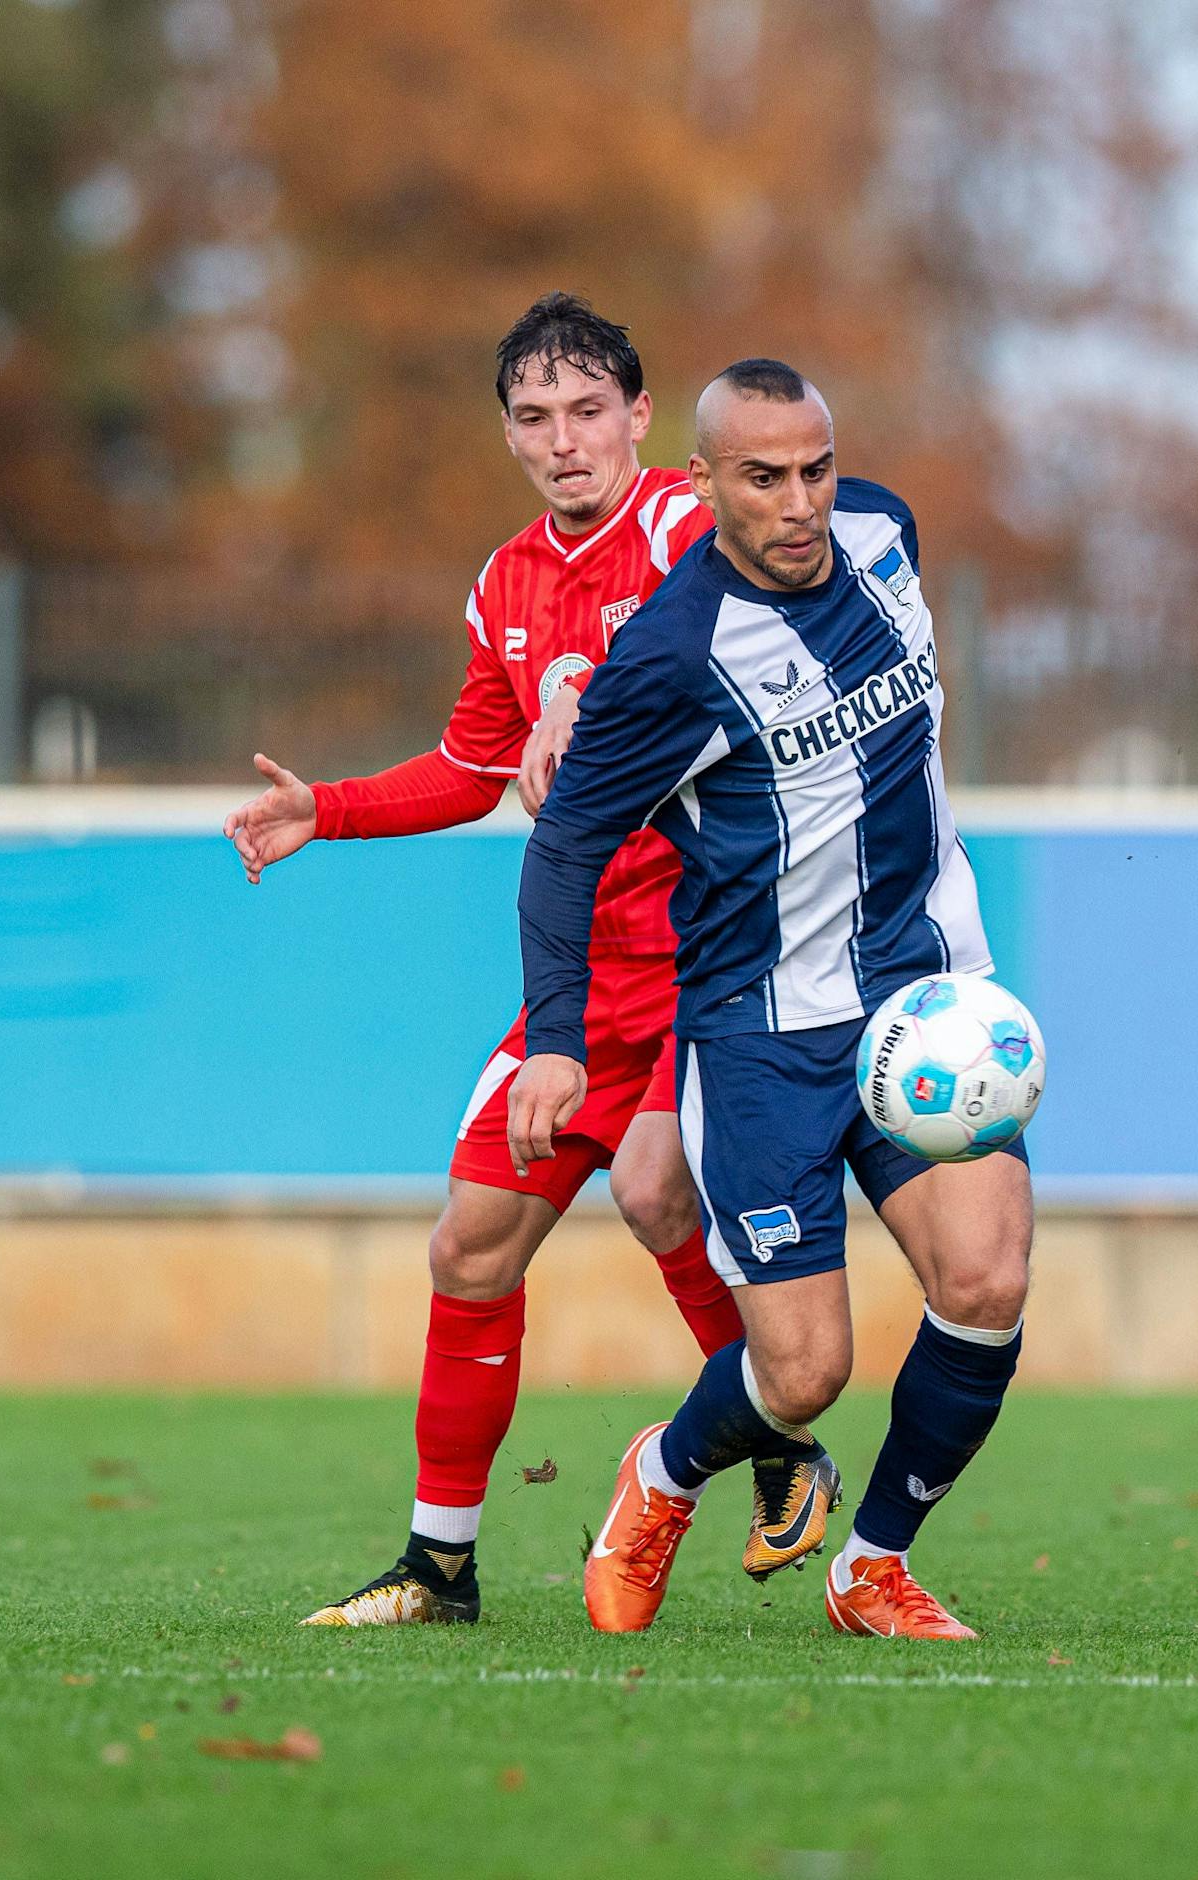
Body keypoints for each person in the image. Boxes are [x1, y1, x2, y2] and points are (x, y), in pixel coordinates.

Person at [224, 300, 839, 1627]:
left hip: (714, 955)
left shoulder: (688, 525)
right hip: (583, 976)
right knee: (471, 1246)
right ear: (508, 433)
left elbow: (750, 637)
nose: (563, 443)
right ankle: (440, 1566)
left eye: (586, 411)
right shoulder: (503, 583)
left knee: (659, 1185)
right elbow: (471, 763)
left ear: (638, 415)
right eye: (533, 418)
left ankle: (779, 1429)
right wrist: (320, 809)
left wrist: (593, 709)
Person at [509, 359, 1033, 1639]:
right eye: (761, 477)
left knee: (984, 1279)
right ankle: (664, 1471)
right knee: (803, 1371)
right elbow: (563, 847)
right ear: (701, 484)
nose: (798, 502)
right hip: (758, 1033)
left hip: (923, 997)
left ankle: (871, 1567)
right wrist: (560, 1043)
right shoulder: (673, 657)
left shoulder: (883, 535)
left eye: (814, 469)